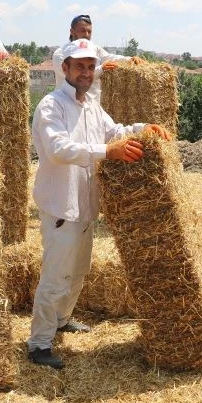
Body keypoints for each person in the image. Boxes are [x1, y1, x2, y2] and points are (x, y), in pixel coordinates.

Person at [29, 38, 171, 369]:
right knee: (55, 277)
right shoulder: (51, 106)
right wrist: (108, 152)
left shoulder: (91, 104)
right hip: (61, 206)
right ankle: (39, 344)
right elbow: (58, 149)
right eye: (79, 66)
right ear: (65, 68)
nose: (85, 72)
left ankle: (62, 320)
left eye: (90, 67)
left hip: (84, 205)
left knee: (78, 271)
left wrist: (142, 129)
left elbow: (113, 132)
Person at [51, 14, 144, 101]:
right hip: (67, 104)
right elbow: (72, 76)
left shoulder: (95, 49)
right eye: (83, 31)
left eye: (89, 31)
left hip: (91, 106)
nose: (86, 35)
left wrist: (129, 59)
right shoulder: (60, 54)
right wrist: (101, 69)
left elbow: (109, 57)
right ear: (72, 32)